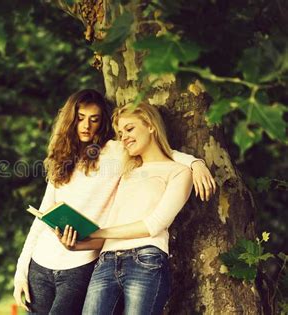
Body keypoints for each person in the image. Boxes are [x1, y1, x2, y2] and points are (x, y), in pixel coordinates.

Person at [14, 90, 215, 314]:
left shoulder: (116, 152)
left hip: (82, 261)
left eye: (94, 119)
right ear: (70, 119)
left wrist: (195, 163)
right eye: (80, 118)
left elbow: (161, 152)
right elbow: (41, 216)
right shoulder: (62, 160)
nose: (86, 126)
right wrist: (21, 271)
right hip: (42, 261)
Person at [57, 102, 205, 314]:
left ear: (151, 126)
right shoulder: (126, 172)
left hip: (146, 260)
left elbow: (154, 224)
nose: (124, 137)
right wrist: (75, 245)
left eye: (129, 129)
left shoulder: (179, 172)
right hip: (105, 262)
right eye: (119, 133)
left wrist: (195, 162)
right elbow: (110, 233)